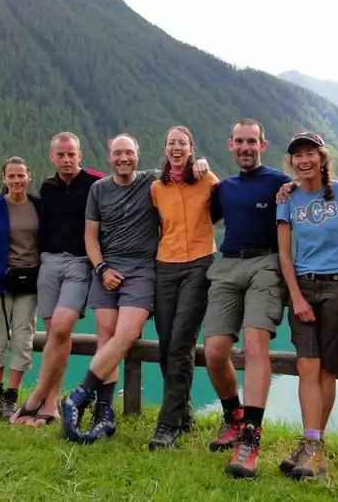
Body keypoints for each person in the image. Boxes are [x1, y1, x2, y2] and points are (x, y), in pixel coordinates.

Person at [60, 133, 209, 444]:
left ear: (138, 155)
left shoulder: (152, 181)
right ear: (108, 155)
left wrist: (201, 164)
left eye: (128, 153)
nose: (123, 158)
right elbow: (90, 237)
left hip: (143, 269)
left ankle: (78, 395)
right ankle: (105, 412)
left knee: (125, 335)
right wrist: (101, 268)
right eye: (117, 153)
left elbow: (182, 171)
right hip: (106, 268)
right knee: (105, 335)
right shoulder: (99, 189)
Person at [203, 118, 291, 479]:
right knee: (214, 351)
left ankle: (250, 439)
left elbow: (313, 194)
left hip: (266, 264)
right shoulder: (224, 188)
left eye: (251, 141)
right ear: (230, 144)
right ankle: (234, 416)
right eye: (239, 141)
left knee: (256, 347)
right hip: (226, 265)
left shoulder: (279, 183)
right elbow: (194, 211)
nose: (245, 147)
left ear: (263, 145)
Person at [275, 132, 338, 481]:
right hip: (305, 285)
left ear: (323, 157)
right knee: (307, 367)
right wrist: (295, 296)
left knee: (327, 370)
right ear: (291, 162)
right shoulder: (287, 197)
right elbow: (283, 253)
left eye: (310, 153)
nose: (304, 159)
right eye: (298, 155)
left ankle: (313, 448)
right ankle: (312, 448)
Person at [9, 132, 104, 427]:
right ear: (52, 157)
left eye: (71, 154)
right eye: (60, 155)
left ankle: (36, 396)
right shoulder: (47, 188)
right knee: (55, 337)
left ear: (80, 155)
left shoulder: (95, 183)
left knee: (62, 329)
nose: (66, 159)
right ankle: (51, 405)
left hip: (79, 264)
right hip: (48, 264)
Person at [148, 126, 220, 450]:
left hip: (200, 264)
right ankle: (185, 411)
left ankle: (168, 423)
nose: (176, 148)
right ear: (165, 149)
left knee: (181, 341)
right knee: (166, 343)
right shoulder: (156, 187)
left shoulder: (207, 179)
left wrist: (205, 165)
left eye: (182, 143)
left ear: (191, 148)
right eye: (171, 143)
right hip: (165, 264)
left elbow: (229, 202)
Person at [0, 156, 42, 421]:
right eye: (11, 176)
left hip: (30, 284)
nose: (16, 181)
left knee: (23, 340)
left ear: (29, 177)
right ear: (3, 179)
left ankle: (11, 396)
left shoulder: (38, 207)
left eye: (21, 175)